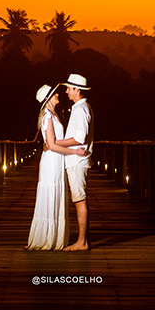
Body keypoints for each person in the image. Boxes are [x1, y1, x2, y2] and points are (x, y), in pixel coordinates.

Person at [26, 84, 87, 250]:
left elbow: (52, 142)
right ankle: (46, 237)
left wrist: (55, 146)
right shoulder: (47, 116)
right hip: (52, 160)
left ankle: (54, 236)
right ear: (48, 99)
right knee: (51, 193)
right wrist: (74, 151)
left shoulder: (53, 115)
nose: (58, 95)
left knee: (56, 194)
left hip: (57, 159)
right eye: (54, 94)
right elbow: (52, 145)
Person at [56, 73, 93, 251]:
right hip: (77, 160)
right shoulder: (81, 108)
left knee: (79, 200)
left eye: (69, 88)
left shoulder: (80, 109)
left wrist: (56, 143)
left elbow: (79, 138)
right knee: (79, 199)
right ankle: (82, 240)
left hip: (77, 161)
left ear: (77, 90)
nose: (66, 91)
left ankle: (82, 242)